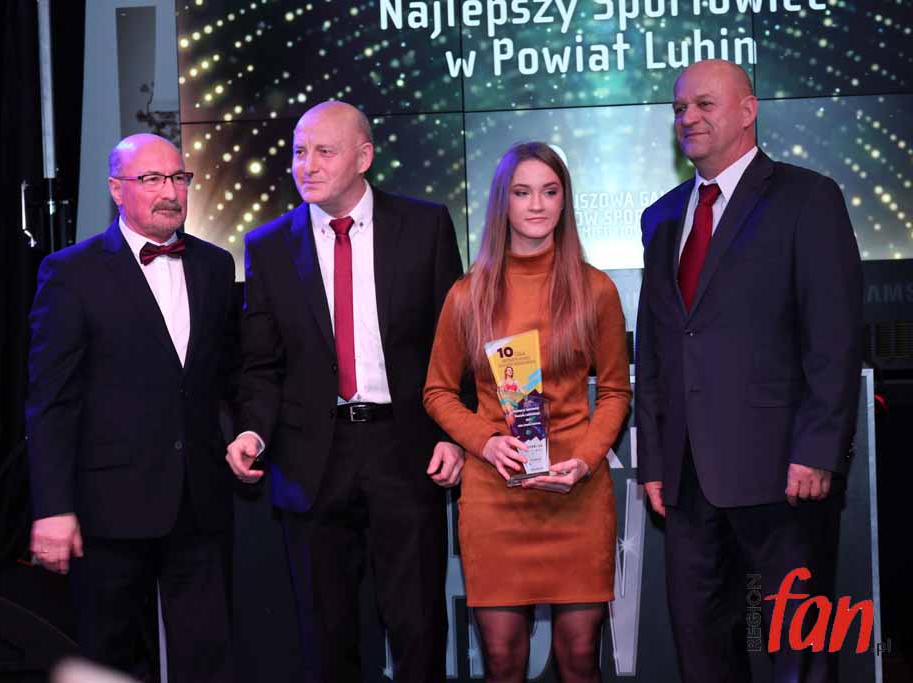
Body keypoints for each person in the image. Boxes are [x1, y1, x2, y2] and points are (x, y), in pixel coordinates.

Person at [635, 59, 863, 683]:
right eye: (680, 108)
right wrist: (653, 462)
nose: (688, 117)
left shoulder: (807, 198)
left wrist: (817, 451)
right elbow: (655, 349)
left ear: (747, 110)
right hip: (686, 481)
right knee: (702, 651)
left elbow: (834, 339)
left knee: (798, 653)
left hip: (783, 474)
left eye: (704, 105)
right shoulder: (661, 216)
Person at [225, 101, 464, 683]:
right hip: (312, 458)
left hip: (406, 449)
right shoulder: (268, 245)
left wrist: (453, 434)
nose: (306, 165)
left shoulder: (425, 225)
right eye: (299, 152)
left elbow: (456, 342)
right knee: (325, 635)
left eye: (324, 152)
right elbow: (261, 363)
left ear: (364, 157)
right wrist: (252, 429)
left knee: (418, 627)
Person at [26, 133, 238, 681]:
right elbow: (51, 401)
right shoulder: (71, 272)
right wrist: (52, 508)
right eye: (152, 179)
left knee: (206, 656)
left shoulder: (216, 266)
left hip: (199, 501)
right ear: (117, 190)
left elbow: (223, 376)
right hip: (109, 508)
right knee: (110, 658)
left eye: (178, 178)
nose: (170, 191)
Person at [423, 142, 631, 683]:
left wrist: (585, 460)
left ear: (564, 200)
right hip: (497, 495)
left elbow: (615, 392)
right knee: (501, 662)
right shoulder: (467, 295)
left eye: (549, 191)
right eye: (522, 192)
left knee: (580, 660)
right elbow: (438, 391)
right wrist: (486, 441)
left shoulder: (596, 290)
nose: (537, 204)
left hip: (576, 495)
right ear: (503, 202)